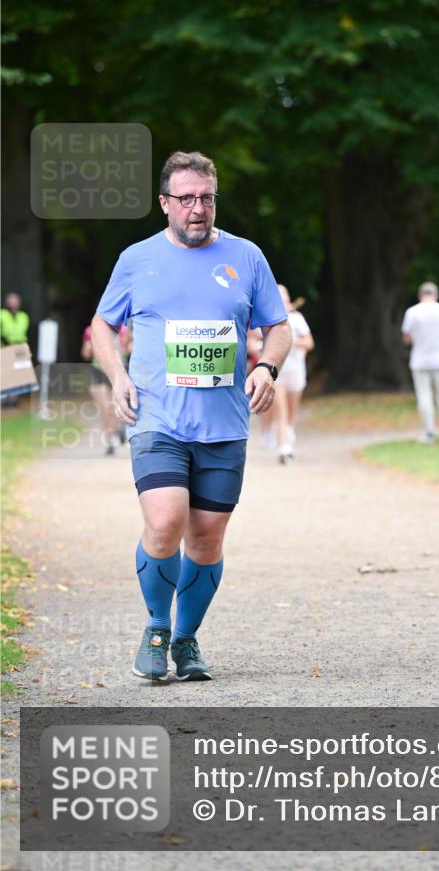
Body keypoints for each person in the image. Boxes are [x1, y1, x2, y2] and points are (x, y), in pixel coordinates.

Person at [92, 151, 291, 682]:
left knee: (206, 538)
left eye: (206, 198)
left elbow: (279, 326)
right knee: (165, 521)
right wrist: (118, 376)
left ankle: (185, 640)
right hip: (157, 417)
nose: (198, 208)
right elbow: (103, 326)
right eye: (186, 199)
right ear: (165, 204)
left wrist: (268, 367)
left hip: (225, 423)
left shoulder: (246, 257)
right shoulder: (137, 259)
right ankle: (157, 626)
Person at [401, 282, 439, 443]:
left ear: (420, 295)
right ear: (436, 295)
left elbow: (406, 338)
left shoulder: (412, 312)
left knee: (424, 398)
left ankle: (429, 432)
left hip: (419, 360)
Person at [273, 285, 315, 464]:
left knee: (291, 410)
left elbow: (309, 342)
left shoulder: (297, 319)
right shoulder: (270, 319)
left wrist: (294, 342)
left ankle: (288, 433)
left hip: (296, 369)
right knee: (280, 409)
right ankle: (283, 447)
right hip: (278, 371)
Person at [81, 322, 131, 455]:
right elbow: (85, 354)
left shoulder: (124, 330)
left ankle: (120, 429)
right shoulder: (91, 330)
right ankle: (110, 440)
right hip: (99, 371)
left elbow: (129, 350)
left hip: (119, 372)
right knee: (105, 408)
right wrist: (90, 346)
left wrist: (123, 345)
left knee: (116, 406)